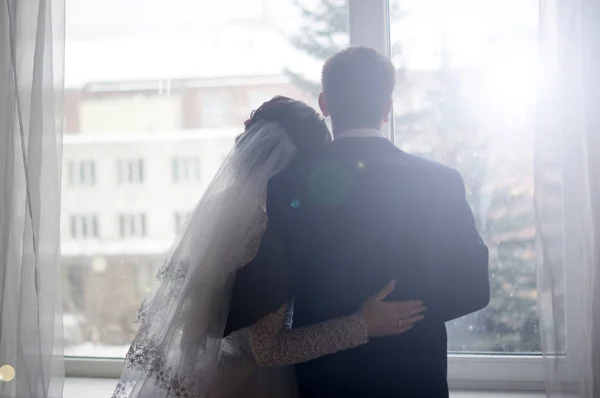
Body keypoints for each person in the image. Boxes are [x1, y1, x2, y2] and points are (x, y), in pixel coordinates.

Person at [111, 96, 426, 398]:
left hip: (197, 374)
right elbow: (270, 349)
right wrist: (362, 325)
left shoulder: (222, 210)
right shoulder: (264, 230)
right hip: (242, 383)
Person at [229, 46, 490, 397]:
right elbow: (474, 289)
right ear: (387, 108)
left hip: (328, 383)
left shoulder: (285, 187)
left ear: (324, 104)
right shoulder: (441, 181)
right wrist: (407, 311)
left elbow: (269, 295)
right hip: (417, 379)